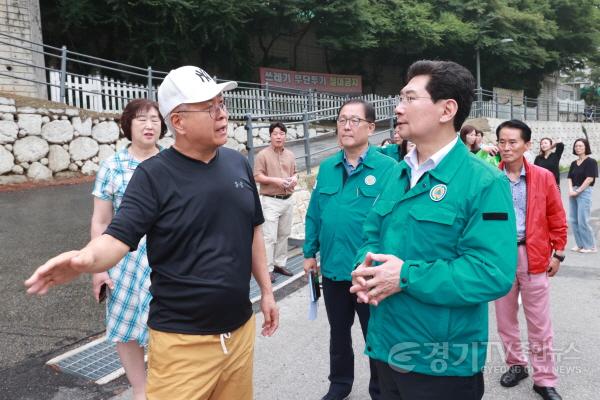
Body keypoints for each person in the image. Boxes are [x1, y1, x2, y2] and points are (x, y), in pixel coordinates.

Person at [25, 66, 279, 400]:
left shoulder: (237, 163)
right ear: (178, 122)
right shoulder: (153, 176)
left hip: (240, 332)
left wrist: (267, 291)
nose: (222, 114)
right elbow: (117, 237)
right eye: (210, 107)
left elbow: (253, 232)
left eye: (221, 103)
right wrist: (83, 260)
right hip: (182, 344)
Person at [349, 60, 517, 400]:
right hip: (385, 346)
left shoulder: (484, 182)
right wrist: (365, 269)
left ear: (447, 110)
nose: (398, 107)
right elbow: (371, 233)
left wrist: (406, 275)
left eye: (410, 98)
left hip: (442, 362)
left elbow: (492, 273)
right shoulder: (398, 173)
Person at [304, 99, 395, 400]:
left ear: (371, 127)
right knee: (338, 333)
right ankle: (339, 384)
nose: (346, 125)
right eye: (342, 119)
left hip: (369, 272)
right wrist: (308, 252)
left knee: (375, 334)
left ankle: (381, 389)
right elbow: (315, 213)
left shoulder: (388, 169)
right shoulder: (328, 167)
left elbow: (394, 220)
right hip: (332, 268)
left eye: (354, 120)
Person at [91, 99, 165, 400]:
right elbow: (101, 221)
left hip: (168, 258)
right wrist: (98, 269)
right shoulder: (113, 166)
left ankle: (166, 386)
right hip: (124, 260)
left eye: (155, 119)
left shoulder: (173, 160)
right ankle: (140, 389)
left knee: (167, 327)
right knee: (126, 327)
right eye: (141, 119)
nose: (150, 125)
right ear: (128, 125)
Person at [494, 119, 567, 400]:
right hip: (501, 258)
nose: (506, 147)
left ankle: (544, 379)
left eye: (513, 142)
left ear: (527, 145)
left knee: (539, 322)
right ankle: (516, 365)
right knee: (504, 319)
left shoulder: (543, 177)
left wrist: (558, 252)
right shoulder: (490, 178)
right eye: (502, 141)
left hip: (533, 254)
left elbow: (557, 217)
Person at [253, 121, 297, 282]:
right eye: (275, 134)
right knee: (269, 237)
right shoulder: (262, 155)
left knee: (284, 234)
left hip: (288, 199)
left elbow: (295, 173)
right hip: (271, 200)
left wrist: (294, 179)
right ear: (270, 136)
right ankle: (267, 269)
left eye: (281, 133)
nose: (278, 136)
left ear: (285, 136)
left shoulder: (290, 155)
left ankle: (280, 263)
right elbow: (257, 176)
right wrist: (276, 181)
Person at [567, 138, 598, 253]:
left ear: (586, 147)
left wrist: (578, 191)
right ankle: (580, 244)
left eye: (580, 146)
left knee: (583, 220)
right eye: (576, 146)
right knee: (574, 220)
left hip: (584, 191)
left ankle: (590, 246)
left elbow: (590, 178)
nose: (578, 148)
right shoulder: (573, 163)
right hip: (573, 191)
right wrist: (571, 190)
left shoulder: (591, 162)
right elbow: (569, 177)